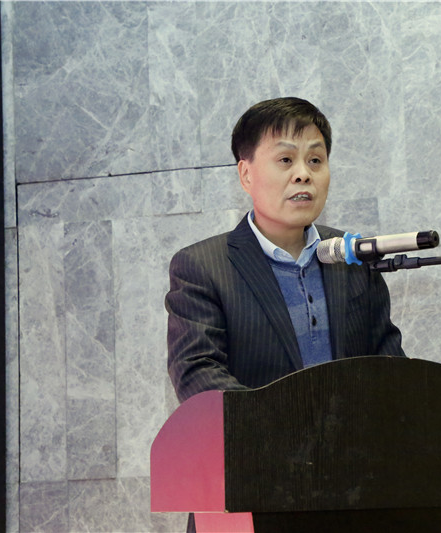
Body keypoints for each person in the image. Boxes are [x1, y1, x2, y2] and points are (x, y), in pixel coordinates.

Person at [166, 96, 405, 402]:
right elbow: (198, 374)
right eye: (285, 160)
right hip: (258, 433)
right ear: (246, 174)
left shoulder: (350, 254)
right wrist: (282, 424)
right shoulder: (203, 267)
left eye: (315, 160)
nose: (303, 174)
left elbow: (388, 364)